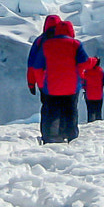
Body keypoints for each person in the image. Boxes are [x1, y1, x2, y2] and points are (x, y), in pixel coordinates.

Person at [28, 18, 93, 142]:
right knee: (70, 110)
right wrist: (90, 67)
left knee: (50, 111)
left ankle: (50, 137)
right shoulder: (75, 44)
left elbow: (34, 65)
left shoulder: (43, 42)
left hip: (50, 85)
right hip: (71, 86)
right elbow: (83, 62)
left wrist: (35, 83)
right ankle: (70, 135)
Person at [26, 15, 63, 143]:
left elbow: (31, 63)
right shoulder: (64, 40)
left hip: (43, 81)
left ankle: (47, 134)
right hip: (61, 80)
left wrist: (31, 83)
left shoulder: (39, 41)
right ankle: (59, 133)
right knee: (62, 107)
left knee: (47, 107)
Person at [81, 57, 104, 122]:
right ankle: (98, 127)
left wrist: (85, 87)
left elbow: (82, 83)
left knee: (90, 112)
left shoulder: (86, 72)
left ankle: (90, 125)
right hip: (99, 96)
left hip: (89, 96)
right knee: (98, 112)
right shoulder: (101, 72)